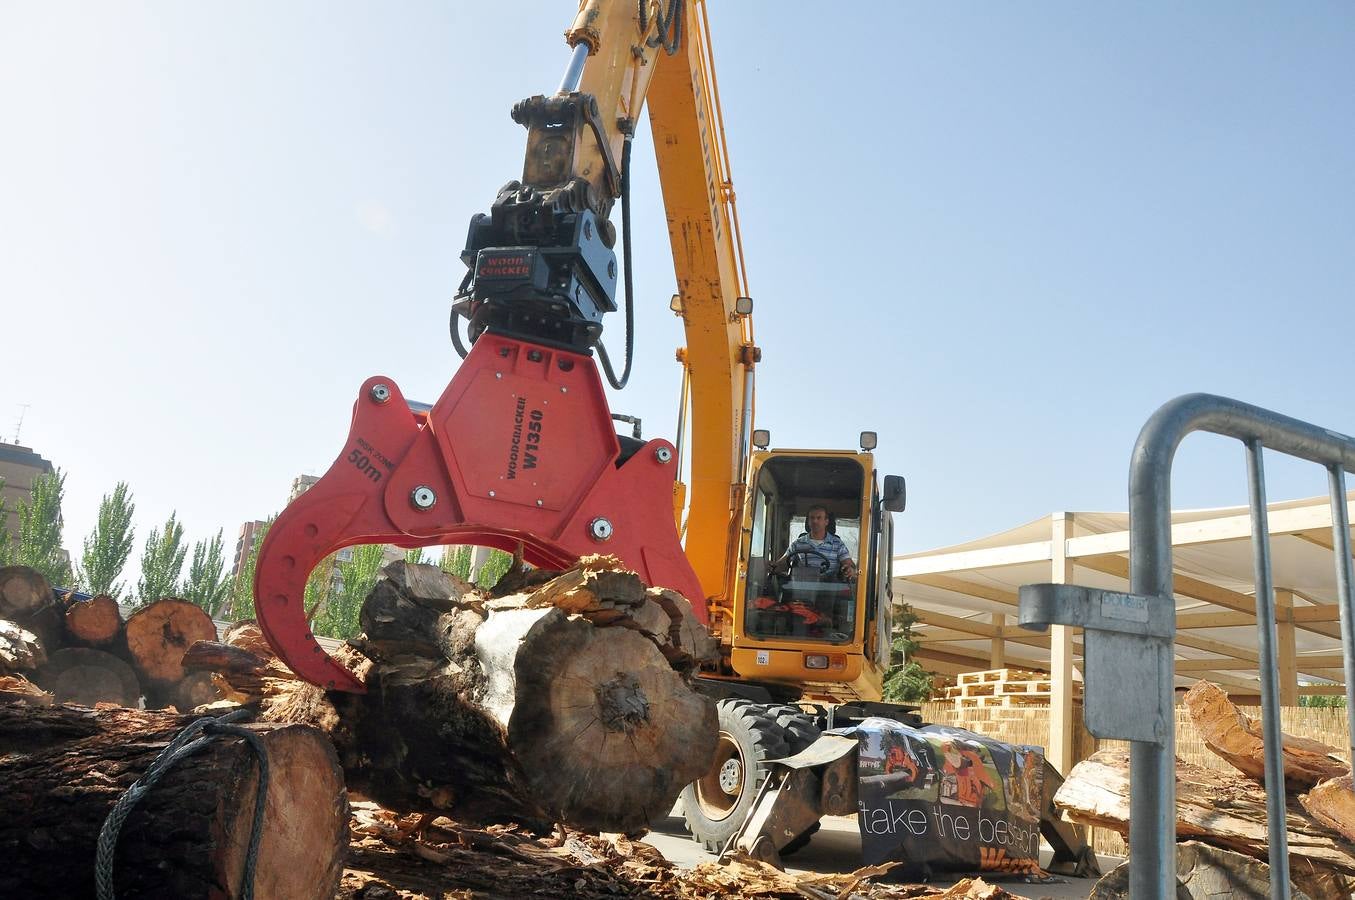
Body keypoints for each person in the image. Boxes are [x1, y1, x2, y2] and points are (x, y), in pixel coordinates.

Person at [771, 504, 857, 581]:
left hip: (830, 589)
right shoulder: (797, 544)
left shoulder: (838, 544)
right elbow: (782, 564)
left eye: (819, 518)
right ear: (808, 521)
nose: (815, 521)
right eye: (812, 518)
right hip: (802, 588)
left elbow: (849, 565)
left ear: (826, 522)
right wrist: (772, 566)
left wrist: (850, 569)